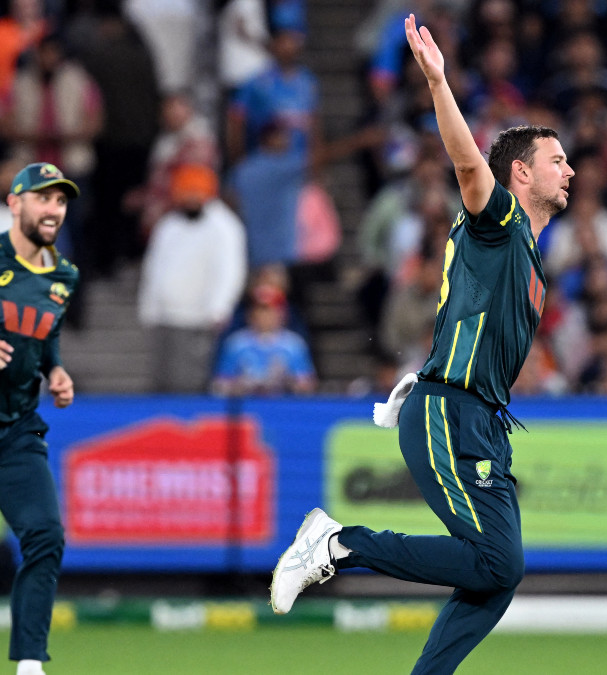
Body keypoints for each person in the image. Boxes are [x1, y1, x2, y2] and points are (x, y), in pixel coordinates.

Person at [269, 13, 574, 674]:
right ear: (521, 173)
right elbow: (468, 164)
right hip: (448, 411)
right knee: (499, 560)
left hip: (478, 419)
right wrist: (439, 83)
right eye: (557, 159)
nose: (570, 169)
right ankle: (338, 542)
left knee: (499, 573)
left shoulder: (526, 254)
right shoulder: (502, 224)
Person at [0, 162, 81, 675]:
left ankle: (30, 665)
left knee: (46, 536)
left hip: (14, 431)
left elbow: (45, 337)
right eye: (42, 198)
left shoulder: (63, 276)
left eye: (60, 200)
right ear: (15, 204)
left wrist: (56, 370)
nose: (53, 209)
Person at [138, 164, 247, 393]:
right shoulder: (169, 224)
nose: (190, 198)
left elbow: (230, 271)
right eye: (185, 192)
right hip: (164, 318)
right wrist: (148, 306)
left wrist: (219, 308)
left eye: (195, 192)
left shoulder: (224, 227)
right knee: (159, 382)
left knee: (186, 384)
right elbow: (154, 268)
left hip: (197, 319)